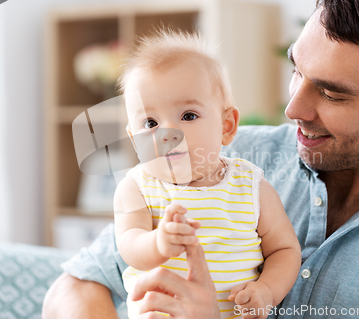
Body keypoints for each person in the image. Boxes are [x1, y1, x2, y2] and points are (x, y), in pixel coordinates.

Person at [42, 0, 359, 318]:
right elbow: (74, 288)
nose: (292, 111)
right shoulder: (218, 156)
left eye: (331, 93)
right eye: (296, 71)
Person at [113, 31, 301, 319]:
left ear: (226, 126)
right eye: (150, 122)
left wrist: (266, 290)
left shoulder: (251, 187)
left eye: (188, 115)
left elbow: (285, 249)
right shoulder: (136, 187)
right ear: (133, 138)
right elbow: (129, 244)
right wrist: (158, 243)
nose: (168, 134)